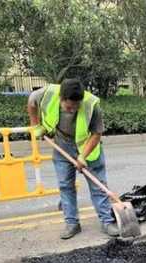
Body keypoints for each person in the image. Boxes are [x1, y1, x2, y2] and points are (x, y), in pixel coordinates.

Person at [27, 78, 119, 239]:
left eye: (76, 107)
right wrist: (36, 125)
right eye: (69, 107)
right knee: (65, 185)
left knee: (98, 186)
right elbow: (31, 101)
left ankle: (107, 221)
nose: (73, 110)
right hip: (62, 145)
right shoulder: (46, 94)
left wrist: (83, 156)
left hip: (87, 147)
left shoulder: (91, 105)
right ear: (61, 98)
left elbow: (96, 134)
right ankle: (72, 223)